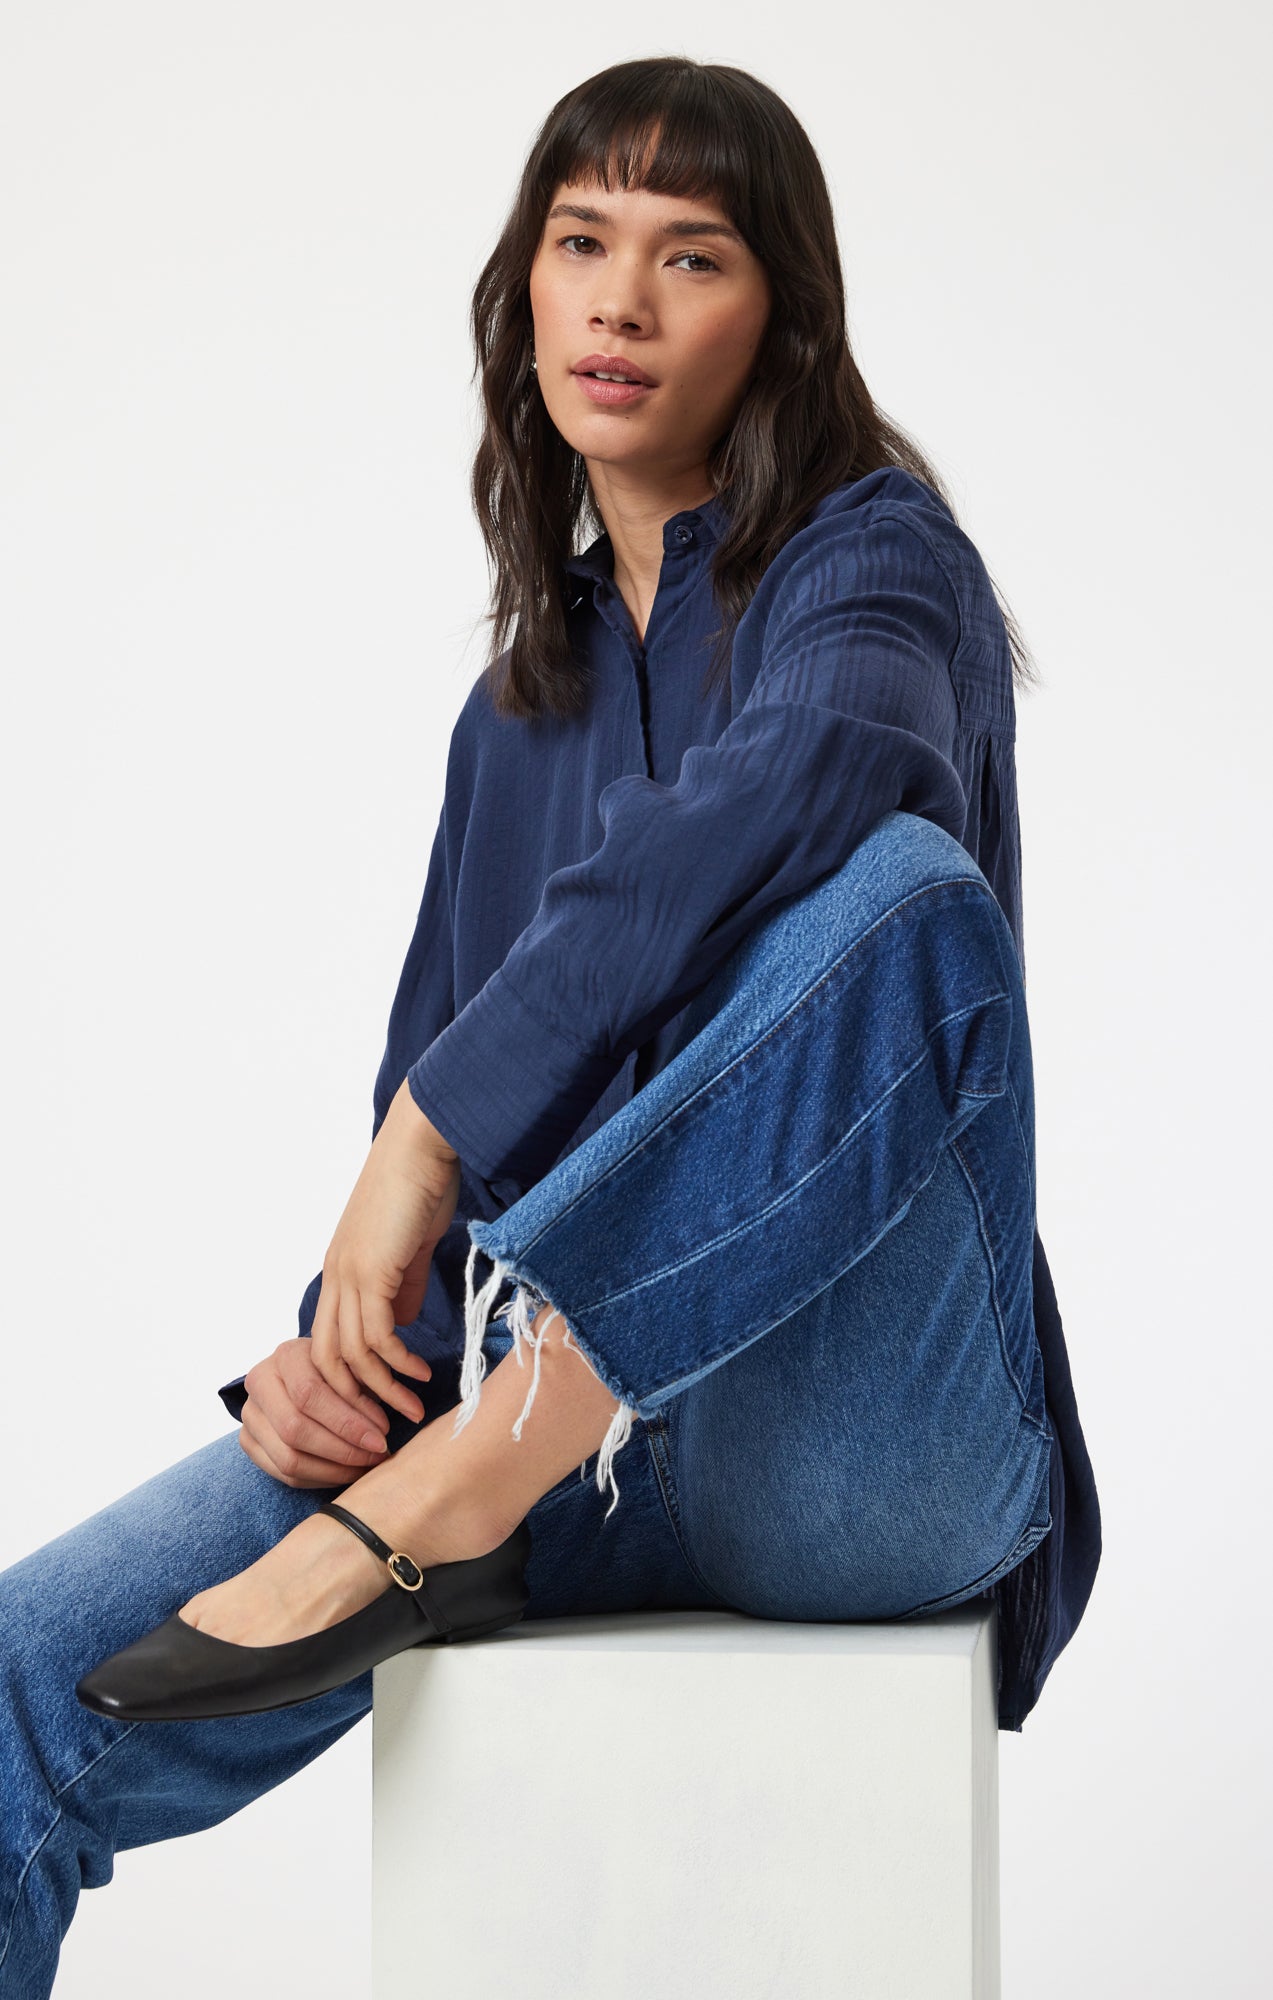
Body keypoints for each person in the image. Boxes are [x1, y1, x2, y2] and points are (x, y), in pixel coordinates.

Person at [0, 54, 1100, 1994]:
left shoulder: (876, 563)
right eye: (582, 243)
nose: (622, 302)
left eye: (693, 256)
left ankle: (465, 1480)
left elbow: (809, 783)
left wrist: (422, 1132)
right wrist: (337, 1353)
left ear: (782, 320)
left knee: (905, 894)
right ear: (521, 289)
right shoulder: (518, 703)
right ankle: (468, 1459)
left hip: (844, 1449)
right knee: (17, 1690)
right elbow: (452, 1133)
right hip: (535, 1457)